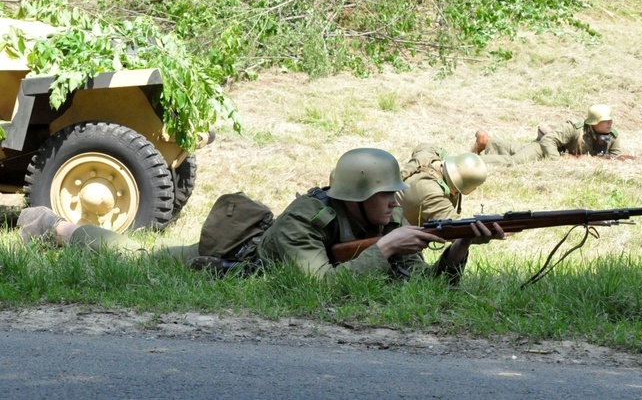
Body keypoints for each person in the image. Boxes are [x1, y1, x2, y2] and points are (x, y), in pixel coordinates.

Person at [17, 148, 504, 281]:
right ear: (355, 196)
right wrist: (385, 249)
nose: (398, 204)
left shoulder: (388, 223)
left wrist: (460, 249)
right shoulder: (303, 219)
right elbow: (319, 289)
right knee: (132, 257)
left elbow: (419, 286)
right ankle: (52, 226)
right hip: (230, 263)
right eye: (386, 196)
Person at [472, 104, 624, 165]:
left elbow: (616, 159)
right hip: (544, 148)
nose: (609, 123)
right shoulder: (575, 128)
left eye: (610, 120)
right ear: (593, 122)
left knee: (520, 150)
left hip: (557, 152)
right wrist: (556, 161)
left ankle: (487, 142)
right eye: (605, 121)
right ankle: (472, 161)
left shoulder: (612, 136)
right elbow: (548, 141)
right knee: (514, 162)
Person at [396, 143, 488, 226]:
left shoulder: (428, 157)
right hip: (390, 235)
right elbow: (455, 229)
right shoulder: (432, 194)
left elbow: (425, 147)